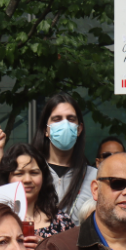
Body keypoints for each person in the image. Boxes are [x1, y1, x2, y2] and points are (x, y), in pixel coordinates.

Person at [0, 143, 74, 250]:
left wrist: (46, 249)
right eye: (19, 173)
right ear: (7, 178)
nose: (27, 179)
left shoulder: (62, 221)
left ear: (44, 177)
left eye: (34, 173)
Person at [31, 92, 96, 224]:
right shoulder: (30, 174)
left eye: (71, 119)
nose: (65, 124)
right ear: (46, 129)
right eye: (57, 119)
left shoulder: (95, 177)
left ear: (79, 129)